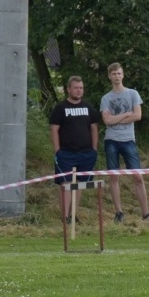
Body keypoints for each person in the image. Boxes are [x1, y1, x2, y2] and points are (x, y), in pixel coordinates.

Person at [101, 62, 149, 223]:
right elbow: (107, 121)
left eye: (119, 73)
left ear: (122, 75)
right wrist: (125, 115)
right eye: (113, 74)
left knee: (138, 176)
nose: (116, 76)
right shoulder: (106, 98)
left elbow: (137, 116)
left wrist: (115, 119)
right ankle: (119, 212)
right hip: (111, 140)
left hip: (128, 140)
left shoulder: (132, 94)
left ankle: (146, 213)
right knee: (114, 177)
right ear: (109, 76)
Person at [49, 76, 100, 223]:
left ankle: (73, 215)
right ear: (69, 89)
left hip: (86, 153)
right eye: (76, 88)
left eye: (81, 88)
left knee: (80, 184)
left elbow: (94, 129)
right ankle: (65, 217)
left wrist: (94, 149)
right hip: (65, 153)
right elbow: (54, 129)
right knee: (66, 184)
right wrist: (57, 150)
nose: (79, 90)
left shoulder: (88, 108)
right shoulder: (60, 108)